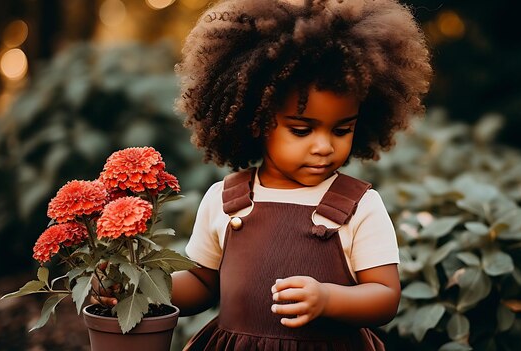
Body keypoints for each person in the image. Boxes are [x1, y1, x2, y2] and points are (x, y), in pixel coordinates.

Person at [98, 0, 431, 349]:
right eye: (302, 130)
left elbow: (384, 295)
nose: (324, 147)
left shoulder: (360, 206)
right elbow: (200, 284)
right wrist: (137, 288)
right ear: (255, 121)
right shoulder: (225, 202)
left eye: (341, 129)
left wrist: (329, 299)